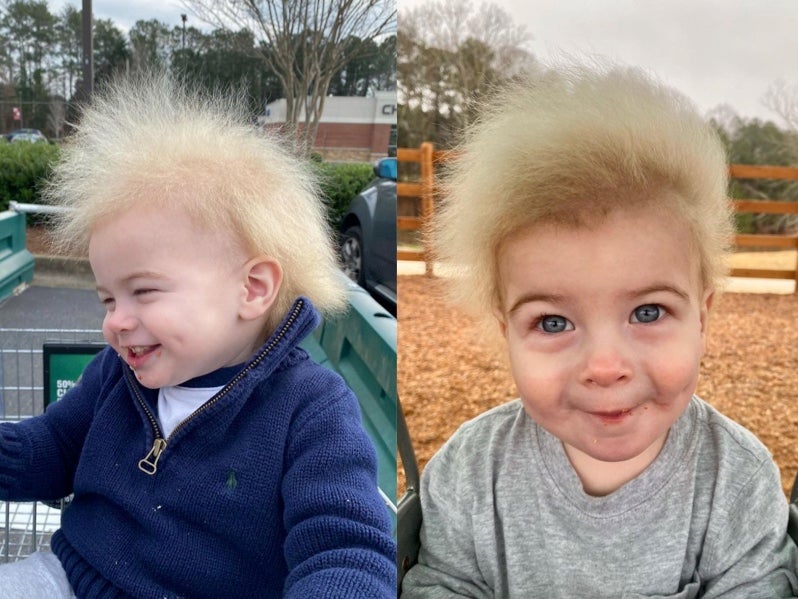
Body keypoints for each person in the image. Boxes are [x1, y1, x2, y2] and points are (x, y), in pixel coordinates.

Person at [401, 62, 798, 597]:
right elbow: (440, 584)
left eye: (648, 312)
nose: (605, 367)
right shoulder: (471, 475)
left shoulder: (738, 482)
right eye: (553, 321)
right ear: (506, 333)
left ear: (703, 319)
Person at [0, 73, 396, 598]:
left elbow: (346, 551)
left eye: (144, 292)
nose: (116, 321)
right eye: (108, 299)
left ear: (252, 289)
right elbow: (50, 449)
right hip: (69, 579)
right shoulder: (115, 374)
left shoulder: (311, 412)